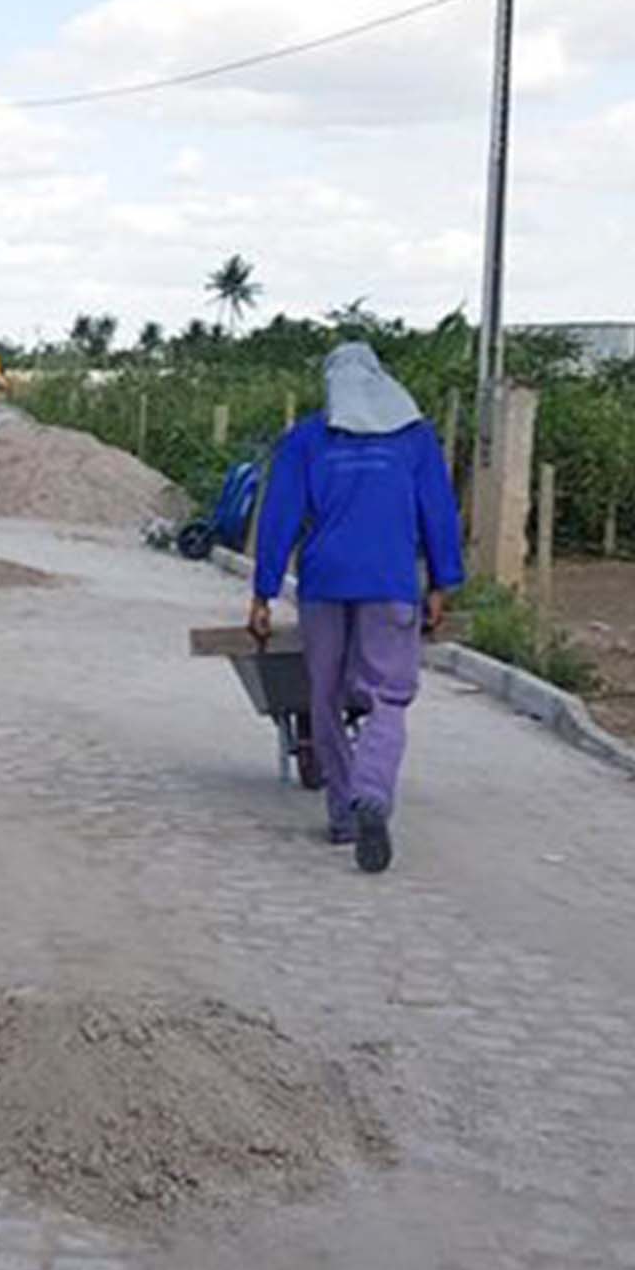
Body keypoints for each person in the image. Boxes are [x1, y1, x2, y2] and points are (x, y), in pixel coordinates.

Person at [248, 342, 464, 874]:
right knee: (387, 697)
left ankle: (344, 815)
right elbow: (439, 513)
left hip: (325, 584)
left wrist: (263, 592)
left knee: (323, 697)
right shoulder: (414, 438)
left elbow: (278, 517)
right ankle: (372, 794)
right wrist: (442, 584)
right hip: (390, 584)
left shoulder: (306, 439)